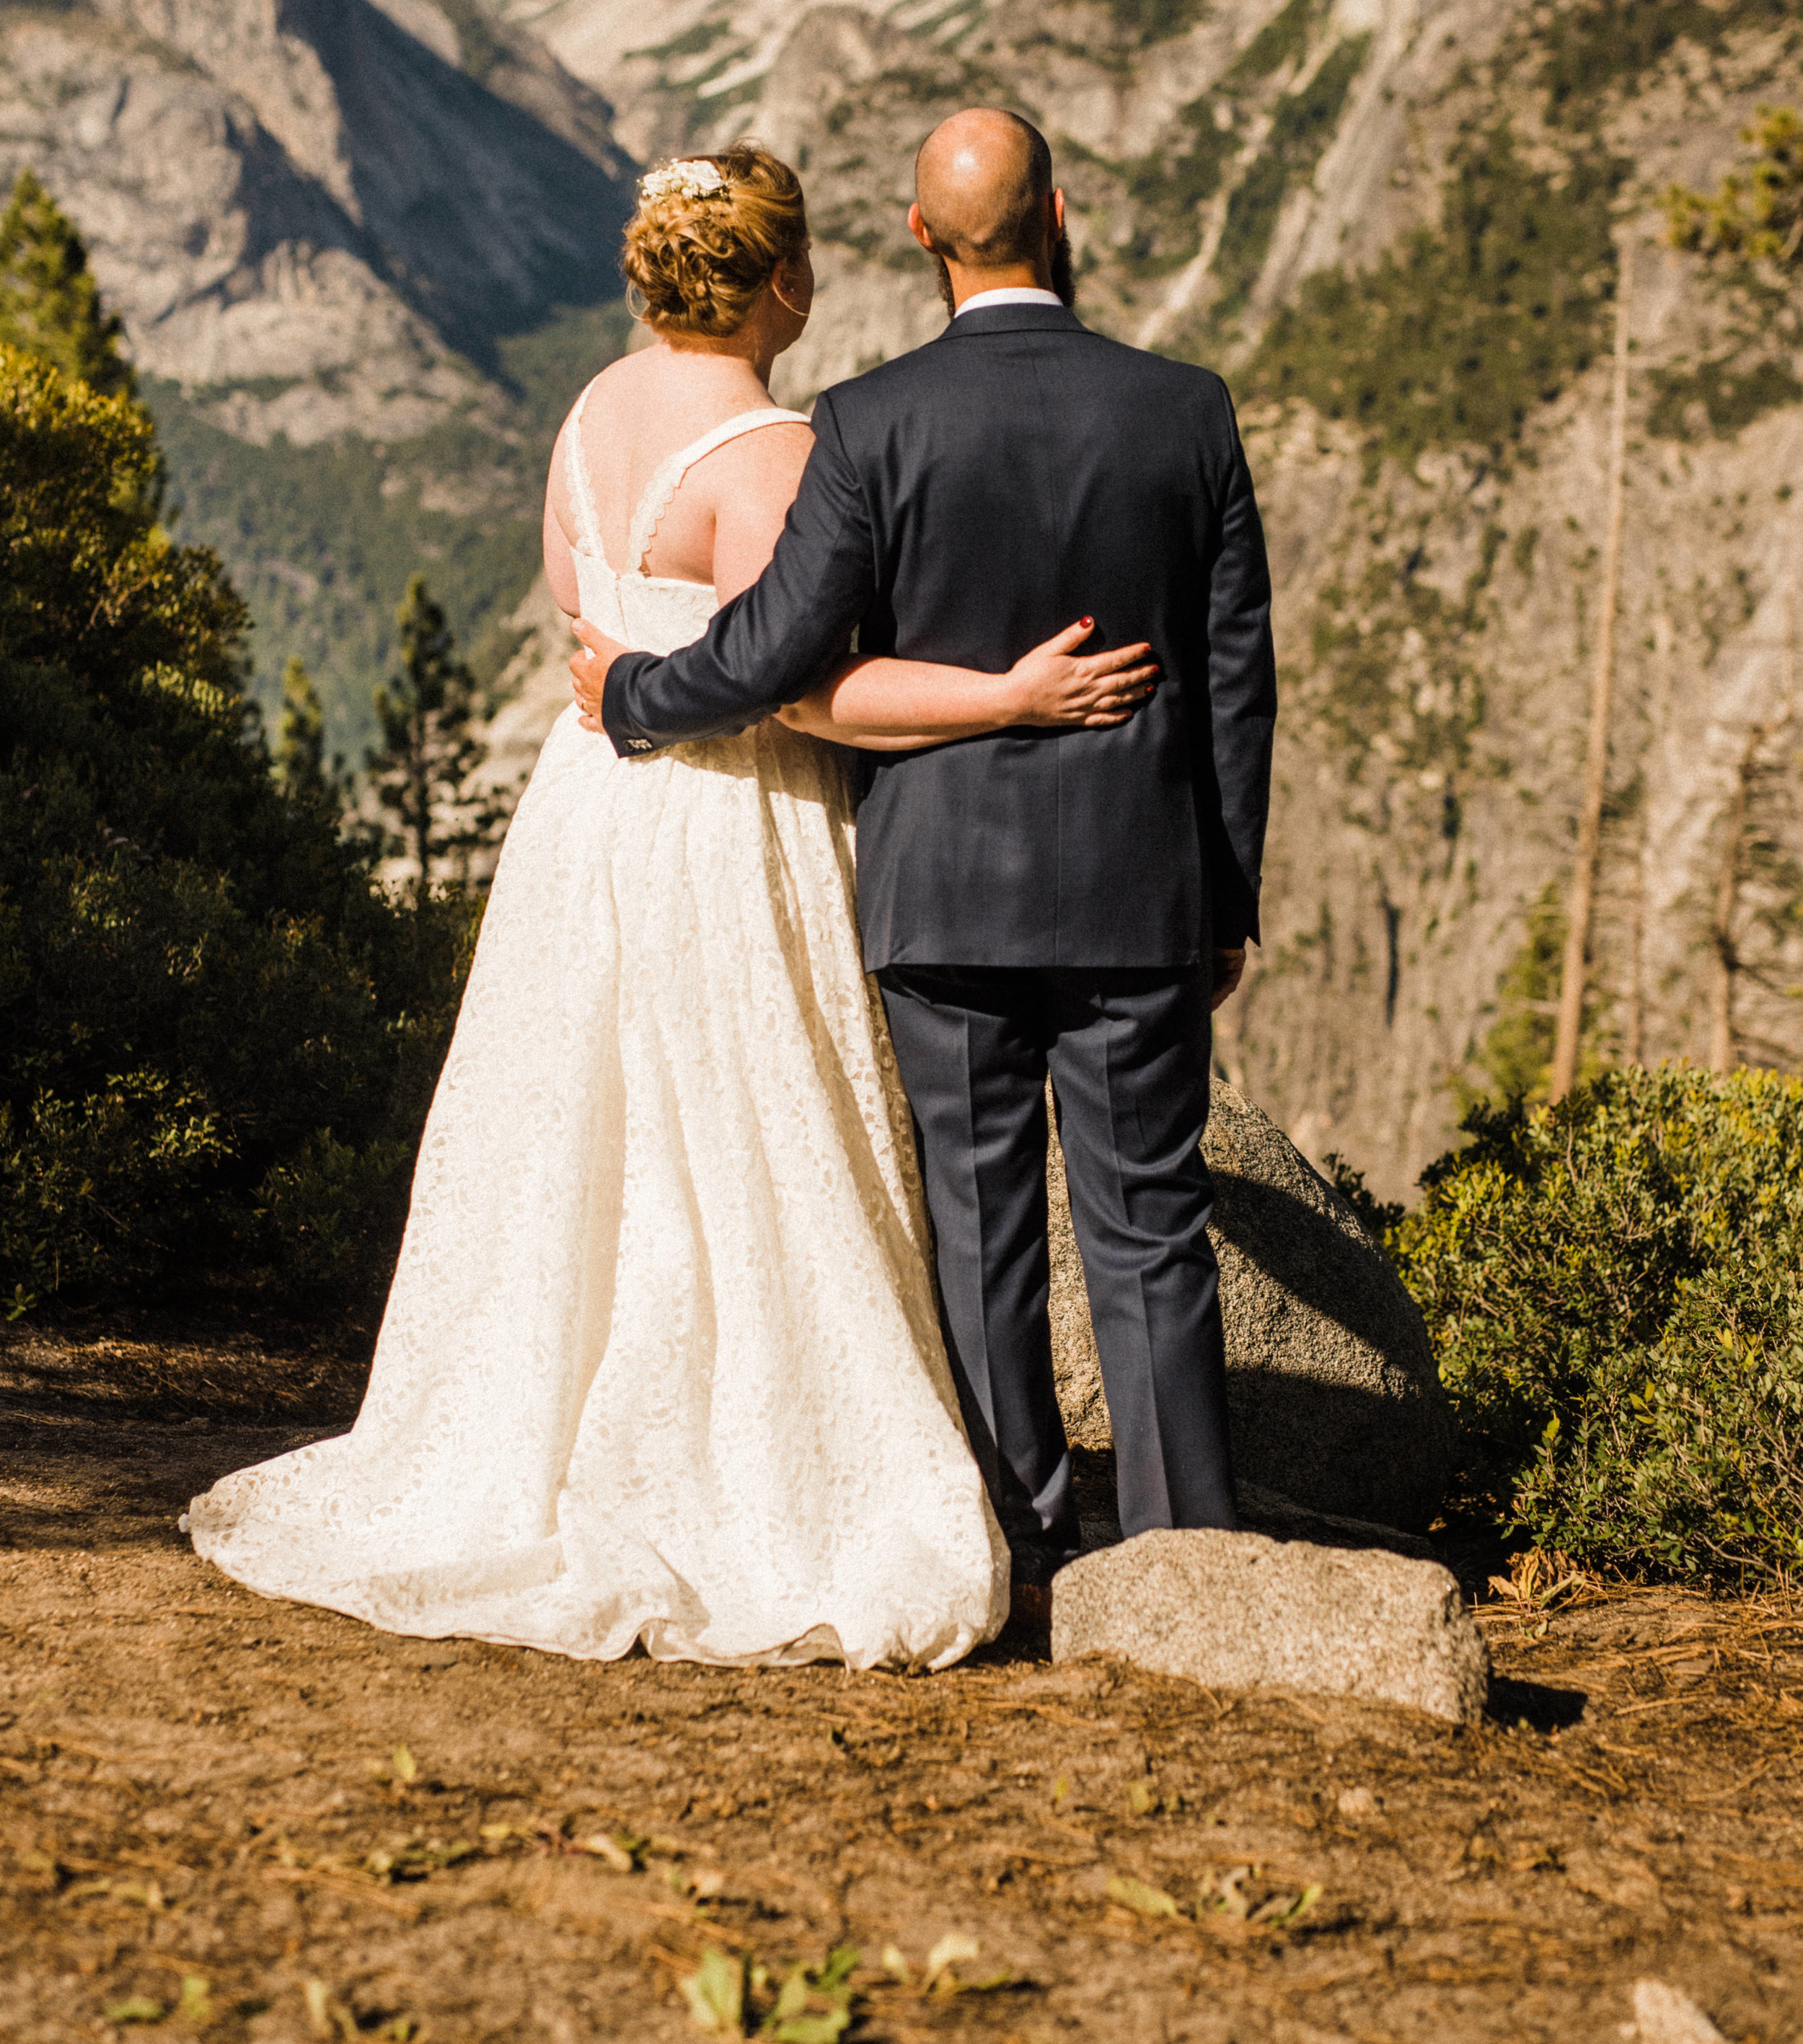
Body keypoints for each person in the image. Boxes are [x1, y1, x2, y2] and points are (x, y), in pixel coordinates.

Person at [184, 141, 1156, 1669]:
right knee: (747, 1134)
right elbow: (806, 691)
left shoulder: (586, 416)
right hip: (725, 822)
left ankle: (545, 1435)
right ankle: (736, 1470)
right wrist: (1009, 695)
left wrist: (630, 678)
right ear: (781, 281)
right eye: (809, 258)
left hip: (587, 816)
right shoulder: (769, 453)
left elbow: (584, 618)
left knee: (590, 1131)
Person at [573, 109, 1277, 1624]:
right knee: (1150, 1223)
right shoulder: (1185, 412)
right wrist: (1222, 902)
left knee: (980, 1234)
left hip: (939, 895)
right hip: (1135, 889)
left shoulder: (868, 419)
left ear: (917, 237)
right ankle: (1183, 1566)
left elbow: (771, 652)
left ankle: (1020, 1552)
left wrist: (629, 694)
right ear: (1061, 215)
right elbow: (1236, 685)